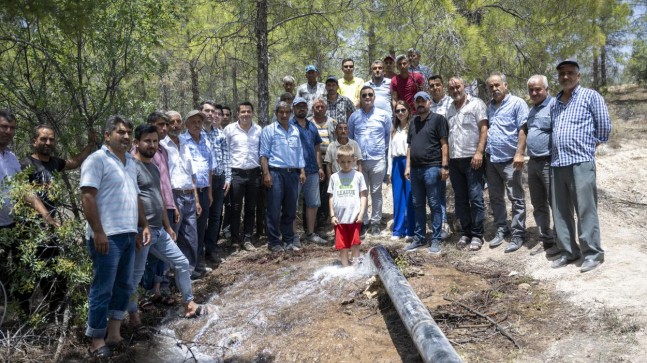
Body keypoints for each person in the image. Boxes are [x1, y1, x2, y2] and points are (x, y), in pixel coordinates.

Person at [127, 124, 207, 340]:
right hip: (141, 231)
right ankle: (133, 315)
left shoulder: (153, 167)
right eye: (147, 141)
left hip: (158, 230)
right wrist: (138, 227)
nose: (152, 145)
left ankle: (188, 303)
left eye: (155, 141)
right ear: (137, 142)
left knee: (181, 262)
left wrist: (167, 225)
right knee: (135, 276)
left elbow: (159, 198)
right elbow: (131, 200)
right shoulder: (130, 167)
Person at [80, 115, 151, 358]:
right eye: (120, 132)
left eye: (128, 132)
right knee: (103, 289)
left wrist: (142, 225)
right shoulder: (96, 160)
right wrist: (98, 231)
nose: (126, 136)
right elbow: (88, 197)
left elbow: (136, 196)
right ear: (107, 135)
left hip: (128, 234)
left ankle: (114, 333)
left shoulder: (130, 162)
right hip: (106, 237)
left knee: (124, 285)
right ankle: (96, 340)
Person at [18, 124, 95, 314]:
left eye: (51, 139)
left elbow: (74, 162)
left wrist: (90, 144)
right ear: (34, 141)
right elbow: (25, 193)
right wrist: (45, 215)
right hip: (30, 229)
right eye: (43, 139)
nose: (48, 142)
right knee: (30, 273)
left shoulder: (53, 162)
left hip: (51, 227)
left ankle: (56, 311)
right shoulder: (26, 164)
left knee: (58, 272)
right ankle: (24, 316)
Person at [550, 59, 610, 273]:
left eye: (569, 73)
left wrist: (590, 146)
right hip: (558, 163)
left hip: (581, 162)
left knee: (585, 210)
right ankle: (568, 251)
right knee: (560, 211)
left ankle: (592, 254)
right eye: (561, 74)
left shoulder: (590, 96)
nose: (565, 77)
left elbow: (603, 125)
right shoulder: (555, 102)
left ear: (578, 75)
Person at [485, 73, 528, 253]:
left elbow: (523, 128)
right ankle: (502, 228)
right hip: (492, 159)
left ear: (505, 85)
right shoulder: (489, 107)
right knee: (495, 197)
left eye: (497, 85)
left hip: (511, 160)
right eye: (491, 86)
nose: (494, 89)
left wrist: (520, 153)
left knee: (516, 197)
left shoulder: (517, 103)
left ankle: (518, 233)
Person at [403, 92, 449, 255]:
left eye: (423, 100)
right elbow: (410, 146)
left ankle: (436, 239)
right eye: (417, 101)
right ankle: (419, 237)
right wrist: (408, 167)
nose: (420, 104)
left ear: (429, 102)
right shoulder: (413, 121)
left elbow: (444, 145)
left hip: (433, 168)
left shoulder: (438, 119)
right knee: (417, 204)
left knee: (435, 204)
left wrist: (444, 167)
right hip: (415, 170)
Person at [446, 77, 488, 251]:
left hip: (473, 158)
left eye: (458, 87)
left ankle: (477, 235)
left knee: (476, 197)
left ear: (464, 87)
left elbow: (484, 129)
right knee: (460, 199)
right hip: (455, 160)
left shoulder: (476, 104)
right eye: (452, 88)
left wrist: (479, 152)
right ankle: (466, 232)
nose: (455, 90)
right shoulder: (449, 108)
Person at [260, 101, 306, 252]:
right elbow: (263, 154)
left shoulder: (294, 130)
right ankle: (274, 241)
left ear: (291, 112)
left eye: (287, 112)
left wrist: (302, 170)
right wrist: (266, 174)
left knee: (290, 209)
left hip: (292, 173)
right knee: (273, 209)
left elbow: (299, 152)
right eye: (281, 112)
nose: (284, 115)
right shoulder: (269, 130)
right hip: (275, 173)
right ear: (276, 113)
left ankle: (288, 240)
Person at [161, 111, 201, 277]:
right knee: (173, 236)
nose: (175, 125)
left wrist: (197, 199)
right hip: (173, 196)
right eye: (172, 122)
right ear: (166, 124)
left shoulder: (185, 142)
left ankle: (189, 272)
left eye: (178, 121)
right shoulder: (162, 145)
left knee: (191, 235)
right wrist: (170, 202)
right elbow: (163, 178)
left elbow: (192, 174)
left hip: (189, 194)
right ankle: (167, 276)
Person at [523, 75, 560, 257]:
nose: (534, 93)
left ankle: (561, 242)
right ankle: (546, 240)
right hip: (533, 162)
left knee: (556, 204)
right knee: (538, 204)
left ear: (547, 89)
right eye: (531, 90)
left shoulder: (555, 106)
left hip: (549, 162)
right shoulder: (532, 110)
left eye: (538, 89)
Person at [348, 86, 392, 237]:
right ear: (360, 97)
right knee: (362, 192)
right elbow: (351, 138)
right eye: (364, 95)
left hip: (378, 159)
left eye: (370, 94)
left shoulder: (384, 115)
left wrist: (379, 149)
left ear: (374, 97)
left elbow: (388, 137)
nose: (367, 97)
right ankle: (363, 221)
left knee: (376, 192)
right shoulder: (354, 117)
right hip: (359, 161)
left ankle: (375, 222)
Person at [223, 102, 262, 252]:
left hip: (254, 173)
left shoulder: (258, 130)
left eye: (248, 111)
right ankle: (234, 240)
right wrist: (228, 176)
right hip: (236, 173)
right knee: (235, 208)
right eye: (243, 112)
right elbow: (225, 153)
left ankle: (247, 238)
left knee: (251, 208)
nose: (246, 114)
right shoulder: (229, 130)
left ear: (252, 113)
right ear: (238, 113)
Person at [179, 110, 213, 278]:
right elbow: (188, 172)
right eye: (192, 121)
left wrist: (210, 192)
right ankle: (189, 268)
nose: (197, 124)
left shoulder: (206, 140)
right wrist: (197, 198)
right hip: (189, 193)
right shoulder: (182, 141)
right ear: (186, 124)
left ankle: (199, 263)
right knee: (188, 233)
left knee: (201, 229)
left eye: (199, 121)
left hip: (204, 189)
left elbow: (209, 168)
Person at [291, 97, 326, 244]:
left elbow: (317, 147)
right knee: (292, 204)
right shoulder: (289, 126)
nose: (302, 109)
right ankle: (293, 236)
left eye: (304, 106)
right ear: (293, 108)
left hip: (312, 170)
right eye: (299, 106)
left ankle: (310, 233)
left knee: (313, 203)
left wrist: (319, 167)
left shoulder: (311, 126)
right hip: (294, 171)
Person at [200, 101, 231, 263]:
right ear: (201, 112)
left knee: (215, 216)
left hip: (219, 179)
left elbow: (226, 157)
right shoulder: (195, 134)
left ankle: (211, 249)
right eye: (207, 111)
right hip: (201, 182)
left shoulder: (220, 134)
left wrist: (228, 178)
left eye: (213, 111)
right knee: (200, 216)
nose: (211, 114)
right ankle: (198, 251)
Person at [328, 144, 368, 267]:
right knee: (343, 245)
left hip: (354, 217)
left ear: (354, 160)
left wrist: (361, 213)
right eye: (343, 162)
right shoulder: (334, 177)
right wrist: (332, 215)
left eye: (349, 162)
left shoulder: (358, 176)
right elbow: (331, 196)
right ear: (337, 161)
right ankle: (345, 268)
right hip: (339, 219)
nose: (346, 165)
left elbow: (363, 195)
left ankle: (356, 267)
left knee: (355, 243)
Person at [429, 75, 453, 239]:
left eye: (438, 84)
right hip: (436, 155)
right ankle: (443, 224)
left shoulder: (452, 103)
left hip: (456, 152)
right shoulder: (428, 105)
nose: (435, 88)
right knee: (438, 192)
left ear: (443, 86)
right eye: (431, 86)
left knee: (460, 191)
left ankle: (466, 224)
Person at [386, 101, 415, 241]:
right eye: (397, 111)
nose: (401, 113)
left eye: (403, 110)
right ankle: (398, 230)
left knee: (410, 196)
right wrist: (389, 171)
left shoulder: (412, 127)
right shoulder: (393, 130)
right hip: (397, 163)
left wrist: (409, 165)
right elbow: (390, 151)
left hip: (409, 162)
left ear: (408, 111)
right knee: (398, 197)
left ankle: (411, 230)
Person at [312, 97, 337, 227]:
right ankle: (313, 223)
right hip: (314, 160)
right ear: (313, 108)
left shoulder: (333, 122)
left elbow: (337, 140)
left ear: (326, 108)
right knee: (315, 191)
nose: (320, 108)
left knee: (328, 190)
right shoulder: (309, 122)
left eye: (322, 106)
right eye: (317, 107)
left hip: (330, 160)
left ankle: (325, 221)